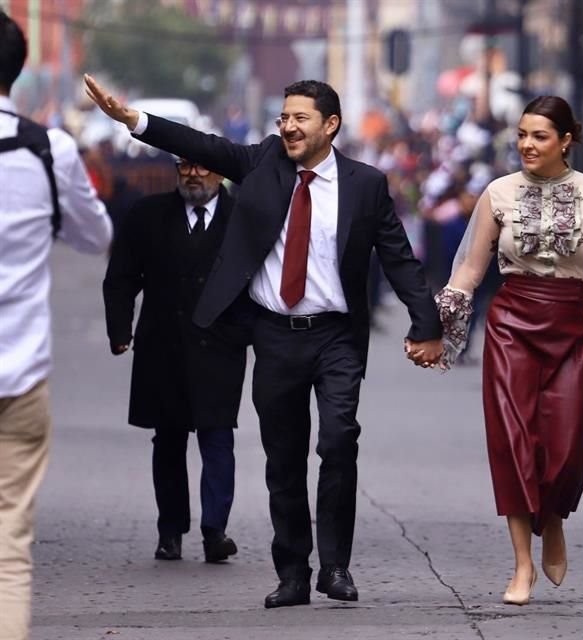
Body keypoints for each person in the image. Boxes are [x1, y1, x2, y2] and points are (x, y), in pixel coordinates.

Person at [84, 74, 443, 608]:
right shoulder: (263, 163)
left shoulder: (365, 184)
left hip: (336, 336)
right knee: (284, 456)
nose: (289, 127)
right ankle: (293, 572)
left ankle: (335, 566)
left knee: (338, 440)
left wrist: (426, 325)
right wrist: (132, 119)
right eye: (284, 118)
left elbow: (399, 257)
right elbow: (200, 144)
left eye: (300, 118)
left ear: (330, 125)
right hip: (275, 334)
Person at [435, 96, 583, 605]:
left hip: (573, 325)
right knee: (511, 441)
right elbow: (469, 270)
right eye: (521, 134)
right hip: (511, 324)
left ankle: (553, 517)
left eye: (539, 136)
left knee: (565, 447)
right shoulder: (497, 193)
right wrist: (437, 330)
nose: (526, 144)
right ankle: (522, 564)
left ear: (566, 140)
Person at [0, 12, 113, 640]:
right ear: (17, 71)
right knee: (8, 549)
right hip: (20, 378)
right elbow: (95, 234)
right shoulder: (49, 150)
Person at [103, 157, 250, 563]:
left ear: (221, 172)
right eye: (185, 166)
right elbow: (121, 277)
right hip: (163, 346)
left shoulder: (243, 219)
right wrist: (120, 331)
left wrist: (249, 333)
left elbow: (261, 280)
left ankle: (215, 530)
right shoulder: (148, 215)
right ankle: (170, 530)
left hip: (220, 348)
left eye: (203, 167)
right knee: (168, 440)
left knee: (218, 437)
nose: (193, 174)